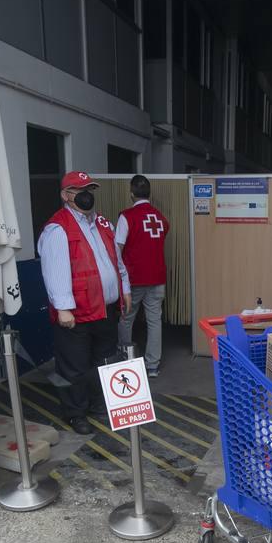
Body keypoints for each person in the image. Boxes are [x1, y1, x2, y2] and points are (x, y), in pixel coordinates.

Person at [38, 171, 131, 435]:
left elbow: (116, 260)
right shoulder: (58, 228)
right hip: (76, 314)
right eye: (80, 190)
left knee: (103, 361)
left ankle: (98, 404)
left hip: (105, 309)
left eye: (89, 188)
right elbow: (54, 270)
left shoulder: (103, 224)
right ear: (66, 196)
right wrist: (63, 309)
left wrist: (124, 287)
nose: (86, 194)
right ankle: (75, 414)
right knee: (74, 368)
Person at [116, 175, 169, 378]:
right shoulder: (160, 217)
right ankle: (152, 366)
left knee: (126, 319)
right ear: (149, 193)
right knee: (154, 321)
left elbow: (117, 249)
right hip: (157, 277)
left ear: (131, 193)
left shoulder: (126, 217)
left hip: (134, 279)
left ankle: (125, 362)